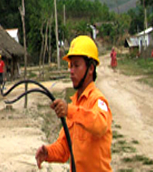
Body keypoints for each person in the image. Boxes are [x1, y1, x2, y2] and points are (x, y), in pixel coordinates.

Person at [35, 35, 113, 172]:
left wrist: (70, 111)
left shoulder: (98, 100)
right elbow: (65, 148)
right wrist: (47, 152)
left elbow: (100, 125)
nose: (71, 71)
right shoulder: (75, 104)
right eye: (70, 66)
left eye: (76, 65)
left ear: (90, 69)